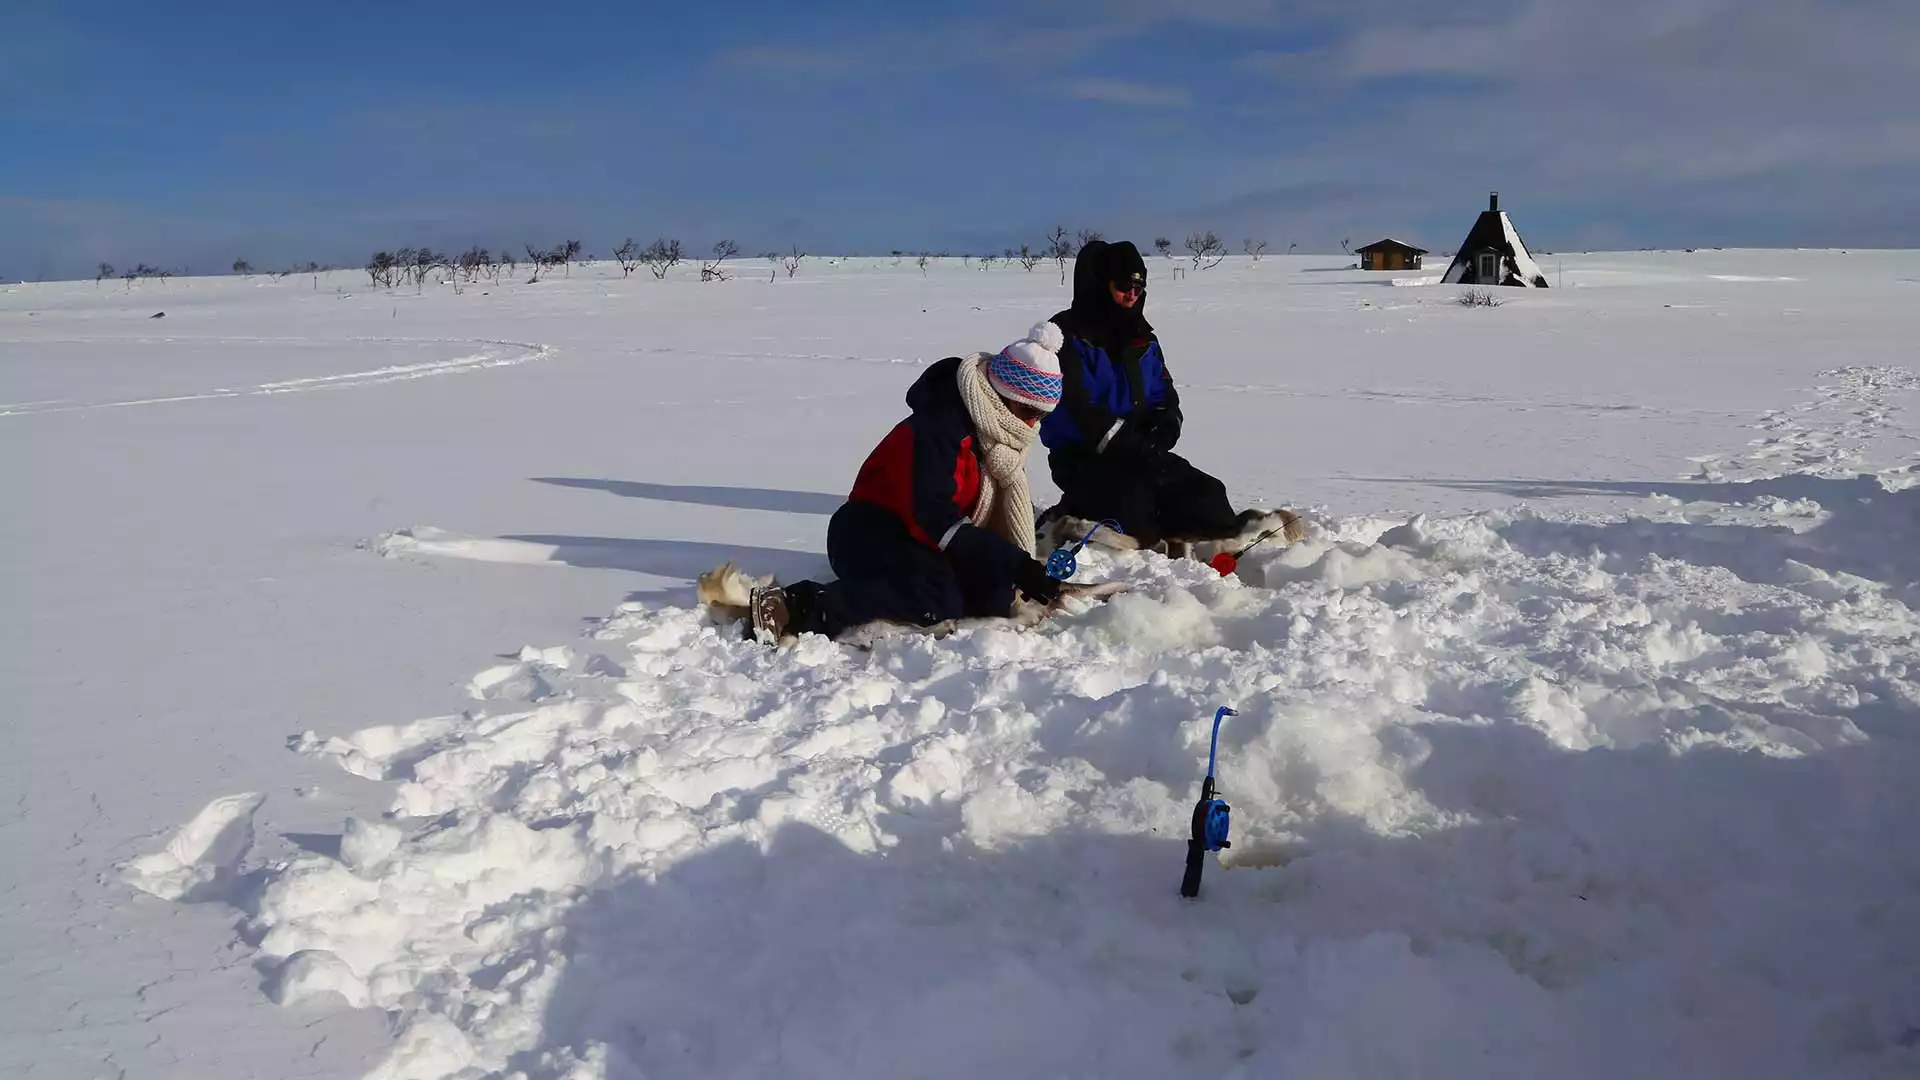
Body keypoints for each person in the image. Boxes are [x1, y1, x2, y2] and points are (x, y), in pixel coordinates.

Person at [748, 323, 1071, 643]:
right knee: (937, 598)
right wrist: (1014, 563)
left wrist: (1014, 569)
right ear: (1002, 392)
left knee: (994, 596)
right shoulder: (940, 429)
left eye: (1040, 415)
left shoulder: (996, 436)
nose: (1031, 423)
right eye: (1027, 409)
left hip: (922, 539)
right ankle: (798, 604)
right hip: (867, 532)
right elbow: (936, 518)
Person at [1038, 239, 1288, 554]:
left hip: (1141, 455)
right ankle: (1066, 518)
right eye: (1123, 285)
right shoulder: (1066, 336)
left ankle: (1204, 542)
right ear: (1102, 284)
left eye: (1138, 287)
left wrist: (1166, 423)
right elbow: (1074, 407)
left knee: (1207, 497)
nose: (1132, 294)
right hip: (1084, 457)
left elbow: (1163, 394)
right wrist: (1125, 439)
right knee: (1135, 517)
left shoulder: (1143, 339)